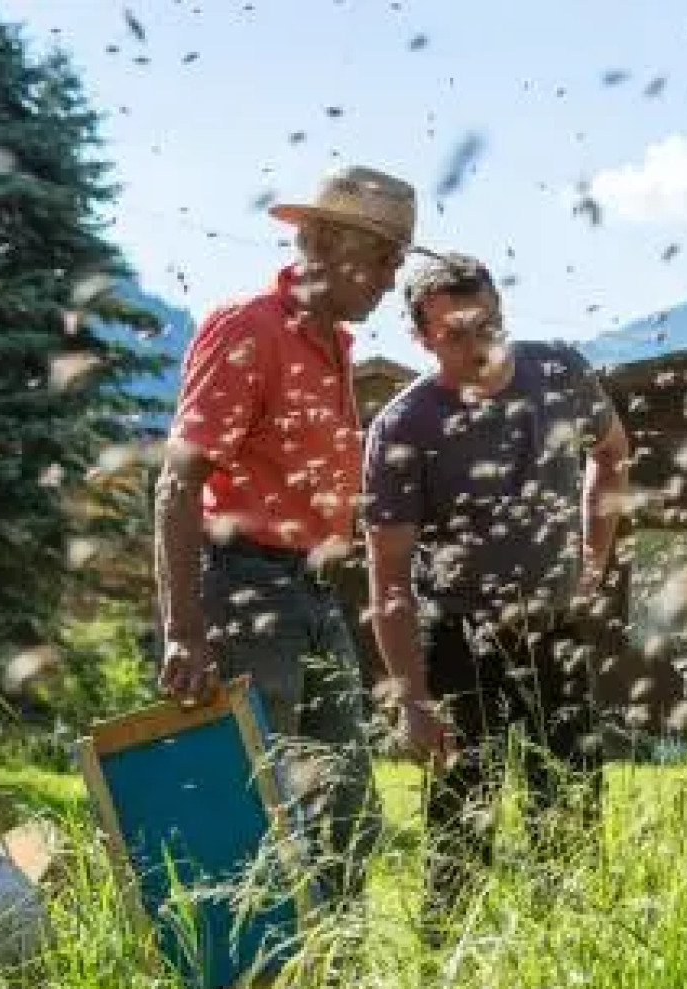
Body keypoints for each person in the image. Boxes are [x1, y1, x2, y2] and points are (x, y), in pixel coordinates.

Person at [152, 166, 418, 904]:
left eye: (400, 261)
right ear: (324, 240)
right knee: (255, 814)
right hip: (240, 592)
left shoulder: (332, 343)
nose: (392, 282)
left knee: (348, 815)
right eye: (385, 258)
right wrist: (184, 632)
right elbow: (178, 483)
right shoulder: (249, 327)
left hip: (309, 592)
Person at [363, 251, 630, 914]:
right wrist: (414, 702)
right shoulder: (403, 426)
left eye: (484, 324)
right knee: (458, 830)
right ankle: (449, 976)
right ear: (422, 338)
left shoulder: (560, 372)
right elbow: (390, 576)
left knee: (569, 817)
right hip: (457, 642)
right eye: (453, 335)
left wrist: (594, 562)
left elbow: (613, 454)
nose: (475, 345)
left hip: (556, 630)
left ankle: (572, 962)